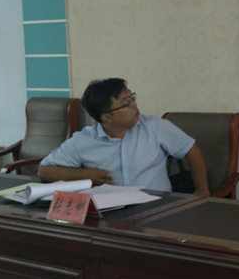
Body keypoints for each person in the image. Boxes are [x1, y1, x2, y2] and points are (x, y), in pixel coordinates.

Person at [39, 78, 210, 196]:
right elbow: (44, 171)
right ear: (106, 117)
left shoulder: (155, 126)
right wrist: (85, 175)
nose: (134, 105)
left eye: (132, 98)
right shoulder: (83, 141)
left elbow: (190, 148)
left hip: (158, 208)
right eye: (126, 103)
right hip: (111, 214)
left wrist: (202, 189)